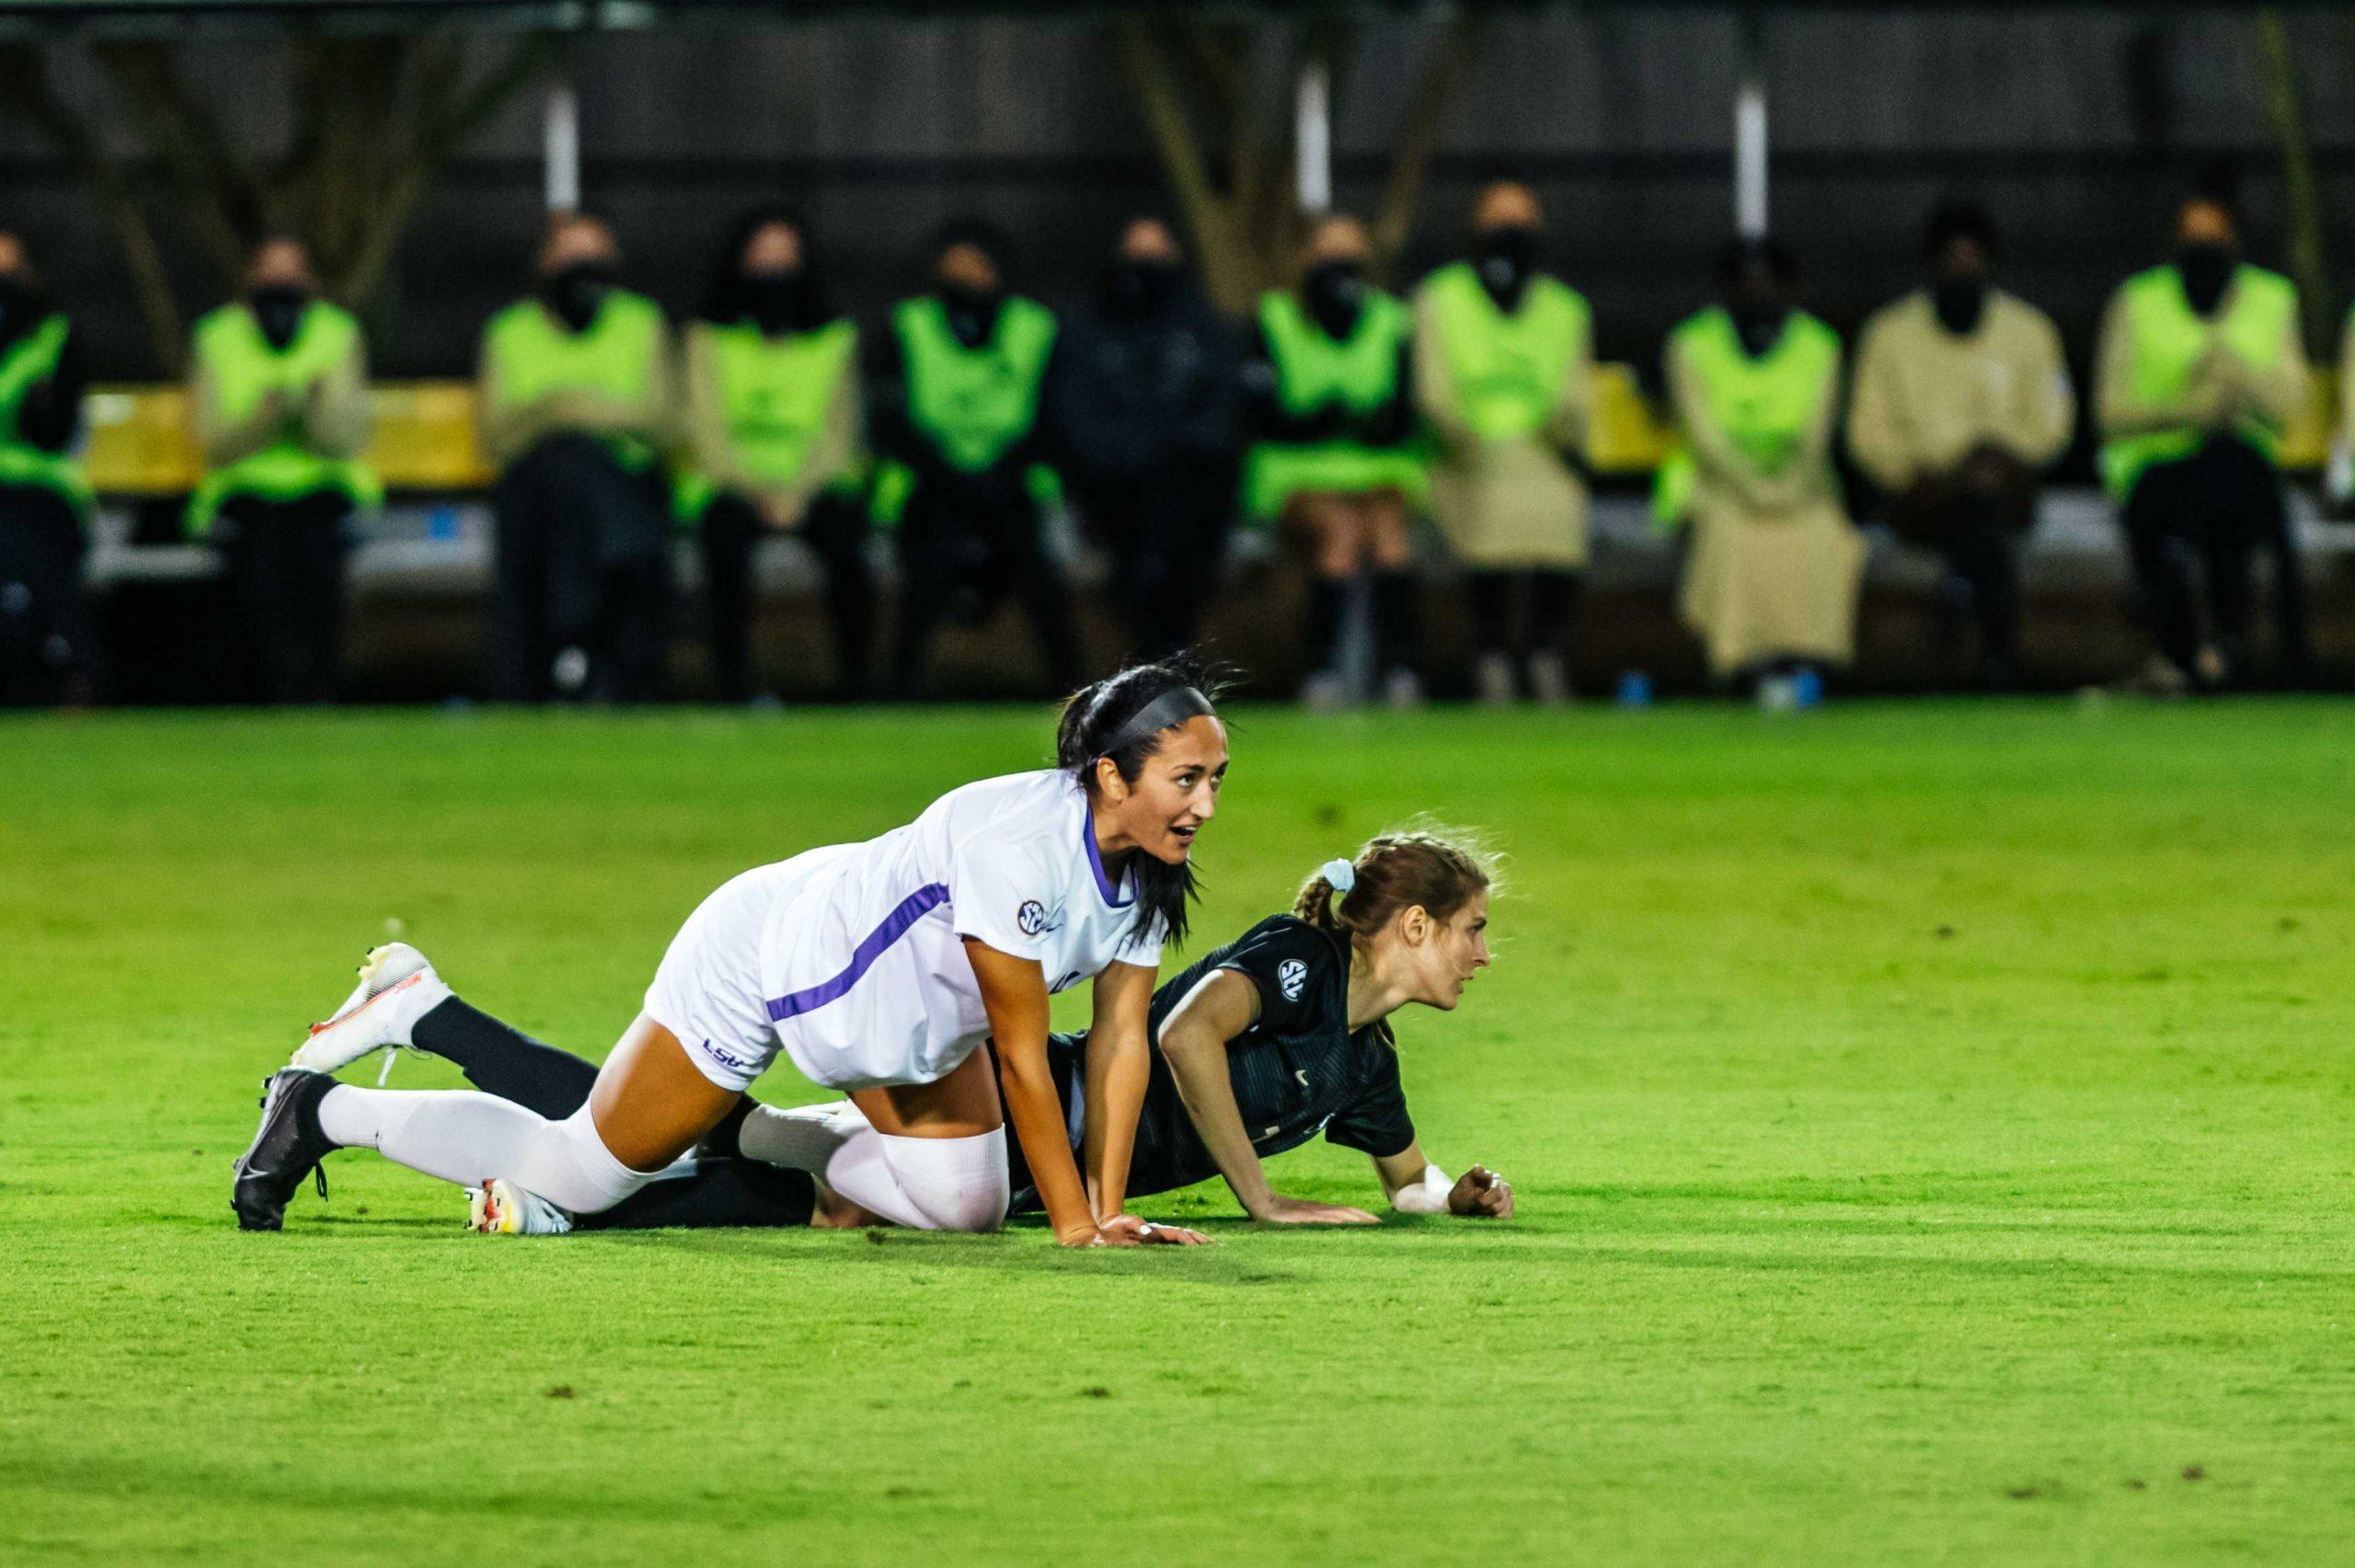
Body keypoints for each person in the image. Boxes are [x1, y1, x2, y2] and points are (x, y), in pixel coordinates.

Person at [230, 660, 1227, 1249]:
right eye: (1187, 777)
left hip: (897, 1030)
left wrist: (1104, 1207)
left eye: (1216, 777)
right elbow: (1020, 1051)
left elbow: (1118, 1041)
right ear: (1108, 773)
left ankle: (738, 1133)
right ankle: (323, 1108)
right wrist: (1072, 1230)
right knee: (580, 1175)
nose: (1205, 803)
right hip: (769, 961)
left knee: (965, 1209)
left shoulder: (1140, 861)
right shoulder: (1020, 844)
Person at [278, 831, 1513, 1236]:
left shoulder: (1369, 1064)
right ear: (1405, 926)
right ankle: (538, 1184)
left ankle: (433, 1016)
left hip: (1017, 1177)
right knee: (737, 1173)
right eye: (1470, 929)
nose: (1482, 951)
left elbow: (1404, 1181)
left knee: (705, 1139)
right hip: (1003, 1128)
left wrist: (1450, 1194)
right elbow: (1184, 1038)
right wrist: (1266, 1203)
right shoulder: (1297, 960)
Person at [1848, 202, 2075, 689]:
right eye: (1952, 259)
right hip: (1921, 494)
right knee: (1974, 507)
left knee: (1982, 497)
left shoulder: (2030, 332)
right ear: (1931, 266)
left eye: (1972, 259)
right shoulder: (1889, 335)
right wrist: (1933, 470)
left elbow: (2052, 427)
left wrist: (1996, 459)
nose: (1962, 271)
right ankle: (1998, 653)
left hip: (2006, 484)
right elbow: (1867, 436)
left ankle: (1958, 592)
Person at [2096, 192, 2311, 692]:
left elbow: (2293, 403)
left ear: (2234, 241)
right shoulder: (2137, 300)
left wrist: (2236, 375)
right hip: (2158, 464)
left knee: (2229, 486)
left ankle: (2230, 649)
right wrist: (2189, 410)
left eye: (2213, 238)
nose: (2203, 250)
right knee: (2178, 506)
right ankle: (2185, 653)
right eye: (2192, 238)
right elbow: (2109, 412)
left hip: (2239, 462)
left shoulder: (2273, 297)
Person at [872, 220, 1077, 696]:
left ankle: (1073, 690)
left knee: (1040, 576)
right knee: (925, 572)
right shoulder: (909, 325)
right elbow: (890, 420)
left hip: (1012, 484)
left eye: (976, 265)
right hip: (932, 486)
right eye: (955, 267)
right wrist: (951, 474)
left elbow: (1055, 417)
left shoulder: (1035, 327)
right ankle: (898, 687)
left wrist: (1002, 472)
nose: (966, 278)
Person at [677, 206, 874, 702]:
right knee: (721, 544)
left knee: (847, 547)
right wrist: (758, 491)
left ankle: (860, 688)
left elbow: (839, 434)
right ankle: (731, 687)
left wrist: (795, 494)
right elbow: (705, 432)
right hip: (733, 488)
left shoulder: (835, 338)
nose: (774, 272)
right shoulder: (706, 339)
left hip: (815, 489)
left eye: (785, 258)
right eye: (763, 257)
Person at [477, 212, 674, 703]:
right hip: (547, 501)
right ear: (543, 265)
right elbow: (495, 437)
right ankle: (587, 646)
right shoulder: (509, 332)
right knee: (565, 470)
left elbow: (665, 424)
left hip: (621, 490)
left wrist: (562, 408)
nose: (582, 270)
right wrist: (580, 412)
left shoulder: (641, 323)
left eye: (594, 258)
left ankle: (567, 644)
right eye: (569, 256)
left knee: (580, 470)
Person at [1414, 182, 1594, 706]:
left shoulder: (1566, 309)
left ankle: (1546, 653)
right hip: (1465, 454)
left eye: (1520, 222)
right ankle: (1491, 654)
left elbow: (1575, 399)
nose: (1508, 236)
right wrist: (1473, 440)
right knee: (1493, 509)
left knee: (1556, 510)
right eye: (1497, 221)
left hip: (1542, 450)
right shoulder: (1439, 299)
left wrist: (1544, 436)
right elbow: (1435, 394)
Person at [1658, 238, 1861, 699]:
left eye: (1769, 283)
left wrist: (1784, 490)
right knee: (1731, 533)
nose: (1758, 293)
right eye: (1747, 284)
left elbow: (1815, 437)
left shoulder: (1820, 346)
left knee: (1823, 532)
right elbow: (1702, 435)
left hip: (1801, 488)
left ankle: (1811, 661)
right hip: (1718, 486)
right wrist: (1752, 488)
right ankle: (1741, 664)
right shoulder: (1690, 343)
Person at [1242, 213, 1424, 709]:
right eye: (1328, 254)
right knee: (1340, 532)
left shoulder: (1391, 319)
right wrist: (1334, 420)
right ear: (1305, 258)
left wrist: (1352, 422)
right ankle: (1322, 673)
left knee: (1390, 534)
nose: (1340, 268)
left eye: (1352, 256)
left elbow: (1404, 414)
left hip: (1378, 476)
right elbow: (1263, 414)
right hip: (1295, 479)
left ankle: (1400, 671)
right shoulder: (1274, 317)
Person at [187, 236, 377, 704]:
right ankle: (269, 693)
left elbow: (349, 437)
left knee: (313, 556)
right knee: (262, 570)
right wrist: (265, 418)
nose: (280, 289)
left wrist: (308, 412)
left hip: (322, 491)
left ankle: (316, 690)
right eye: (270, 277)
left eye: (290, 277)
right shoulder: (217, 336)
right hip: (244, 494)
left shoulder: (338, 332)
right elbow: (209, 440)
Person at [1049, 216, 1239, 664]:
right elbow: (1074, 416)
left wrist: (1173, 454)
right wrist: (1126, 458)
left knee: (1183, 526)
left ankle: (1171, 655)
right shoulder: (1085, 330)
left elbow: (1220, 416)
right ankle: (1142, 659)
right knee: (1139, 536)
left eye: (1156, 255)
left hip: (1189, 489)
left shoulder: (1205, 330)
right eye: (1136, 255)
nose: (1145, 267)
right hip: (1110, 490)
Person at [0, 231, 94, 707]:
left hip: (40, 486)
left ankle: (66, 676)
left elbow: (57, 432)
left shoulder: (52, 334)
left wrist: (40, 409)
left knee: (32, 549)